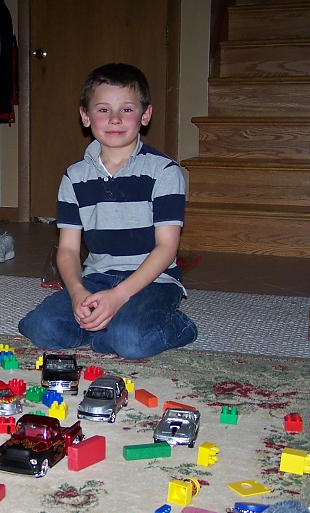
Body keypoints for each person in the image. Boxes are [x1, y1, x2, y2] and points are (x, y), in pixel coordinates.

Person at [18, 63, 197, 359]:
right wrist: (77, 292)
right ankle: (107, 325)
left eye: (127, 109)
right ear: (85, 116)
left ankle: (176, 325)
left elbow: (166, 249)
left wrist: (118, 296)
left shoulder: (164, 172)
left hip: (153, 280)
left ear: (145, 115)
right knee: (40, 327)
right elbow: (68, 250)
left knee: (130, 341)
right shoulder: (74, 177)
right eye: (103, 110)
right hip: (98, 277)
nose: (115, 119)